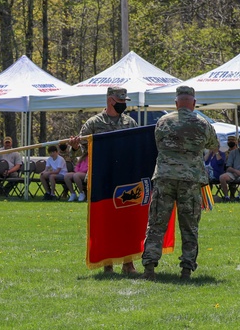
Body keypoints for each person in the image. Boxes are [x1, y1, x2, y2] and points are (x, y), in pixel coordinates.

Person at [141, 86, 218, 281]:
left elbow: (158, 143)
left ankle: (149, 267)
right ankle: (186, 270)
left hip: (165, 177)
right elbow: (213, 144)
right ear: (193, 103)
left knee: (157, 223)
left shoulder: (162, 122)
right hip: (190, 180)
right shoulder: (202, 123)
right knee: (189, 225)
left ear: (176, 103)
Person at [66, 85, 139, 274]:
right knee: (105, 222)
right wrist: (74, 148)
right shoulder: (93, 123)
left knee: (127, 222)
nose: (123, 104)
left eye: (125, 101)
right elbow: (79, 152)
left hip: (125, 178)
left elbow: (137, 150)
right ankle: (108, 264)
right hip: (102, 178)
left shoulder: (130, 123)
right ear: (110, 100)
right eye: (120, 101)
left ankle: (128, 263)